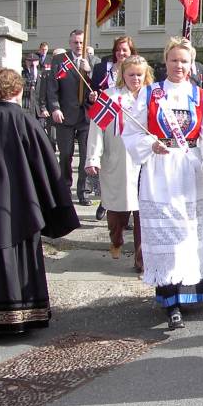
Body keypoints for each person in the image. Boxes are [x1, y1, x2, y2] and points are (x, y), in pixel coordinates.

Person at [0, 68, 80, 337]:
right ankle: (15, 317)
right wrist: (56, 205)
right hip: (16, 212)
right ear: (19, 91)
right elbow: (47, 168)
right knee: (12, 255)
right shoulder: (24, 121)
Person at [122, 37, 203, 329]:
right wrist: (148, 144)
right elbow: (131, 131)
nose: (179, 66)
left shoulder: (199, 95)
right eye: (174, 60)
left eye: (184, 61)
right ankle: (170, 301)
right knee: (164, 233)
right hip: (159, 170)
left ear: (191, 64)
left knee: (188, 234)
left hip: (188, 171)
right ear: (165, 62)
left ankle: (191, 290)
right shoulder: (150, 94)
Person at [85, 56, 153, 272]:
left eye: (139, 75)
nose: (135, 78)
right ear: (122, 74)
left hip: (145, 161)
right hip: (117, 160)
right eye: (131, 74)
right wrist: (92, 158)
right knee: (117, 212)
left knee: (143, 211)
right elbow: (96, 130)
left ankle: (141, 260)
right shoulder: (110, 97)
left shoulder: (153, 97)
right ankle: (116, 240)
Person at [89, 36, 137, 220]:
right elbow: (93, 92)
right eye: (118, 49)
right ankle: (107, 205)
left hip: (131, 131)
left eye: (125, 50)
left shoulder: (139, 71)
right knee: (111, 173)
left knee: (131, 177)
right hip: (111, 127)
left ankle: (132, 211)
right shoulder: (103, 68)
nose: (121, 53)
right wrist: (92, 97)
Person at [45, 29, 94, 206]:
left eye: (81, 42)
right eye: (75, 42)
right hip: (65, 115)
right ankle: (65, 188)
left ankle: (84, 191)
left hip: (86, 116)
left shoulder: (92, 61)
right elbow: (52, 88)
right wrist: (55, 109)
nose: (78, 46)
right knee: (65, 154)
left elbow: (98, 87)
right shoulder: (60, 60)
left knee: (86, 156)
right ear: (70, 42)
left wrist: (89, 72)